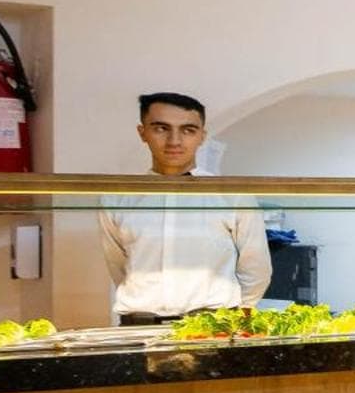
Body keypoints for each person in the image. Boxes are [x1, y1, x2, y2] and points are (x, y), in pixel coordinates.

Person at [100, 92, 270, 325]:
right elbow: (118, 266)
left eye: (188, 130)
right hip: (138, 326)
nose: (174, 141)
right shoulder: (117, 198)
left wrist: (236, 320)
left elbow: (256, 268)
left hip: (213, 327)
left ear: (202, 136)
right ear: (143, 132)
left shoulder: (232, 195)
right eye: (161, 128)